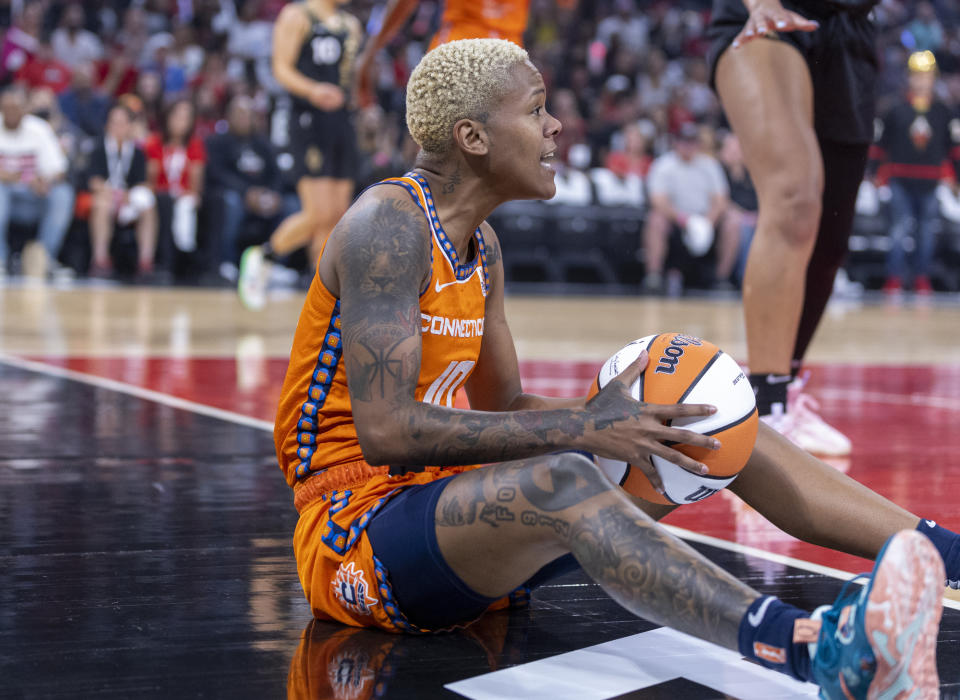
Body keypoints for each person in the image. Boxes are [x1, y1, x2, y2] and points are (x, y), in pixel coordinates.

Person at [275, 40, 950, 698]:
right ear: (473, 137)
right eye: (536, 110)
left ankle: (948, 555)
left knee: (708, 420)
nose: (556, 125)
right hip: (354, 529)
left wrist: (623, 423)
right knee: (564, 479)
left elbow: (505, 405)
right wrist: (583, 426)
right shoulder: (387, 228)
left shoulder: (481, 247)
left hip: (447, 507)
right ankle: (817, 652)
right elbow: (387, 431)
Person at [707, 0, 877, 456]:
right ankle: (767, 408)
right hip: (771, 17)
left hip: (850, 34)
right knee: (794, 198)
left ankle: (786, 385)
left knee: (829, 238)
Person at [237, 0, 363, 310]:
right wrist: (312, 90)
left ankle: (324, 295)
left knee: (336, 217)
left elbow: (350, 75)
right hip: (307, 119)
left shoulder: (350, 25)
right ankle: (263, 255)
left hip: (341, 121)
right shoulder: (297, 15)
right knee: (318, 213)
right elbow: (280, 68)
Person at [872, 51, 959, 296]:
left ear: (934, 78)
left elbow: (953, 148)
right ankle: (894, 278)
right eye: (917, 76)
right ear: (908, 78)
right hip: (900, 179)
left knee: (926, 232)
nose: (921, 81)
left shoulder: (944, 111)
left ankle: (922, 278)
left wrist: (955, 178)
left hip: (931, 181)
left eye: (926, 76)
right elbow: (880, 145)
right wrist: (875, 174)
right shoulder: (894, 109)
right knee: (898, 231)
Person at [353, 0, 531, 110]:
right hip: (509, 57)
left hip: (458, 51)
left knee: (436, 155)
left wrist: (368, 56)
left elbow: (403, 4)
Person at [642, 123, 738, 293]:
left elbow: (721, 200)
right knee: (655, 220)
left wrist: (707, 222)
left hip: (706, 218)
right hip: (675, 219)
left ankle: (722, 277)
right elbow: (658, 200)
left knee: (733, 221)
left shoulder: (710, 165)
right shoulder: (663, 165)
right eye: (684, 141)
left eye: (692, 141)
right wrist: (684, 220)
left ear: (698, 144)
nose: (688, 146)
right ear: (675, 142)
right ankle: (653, 276)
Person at [204, 95, 286, 283]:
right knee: (230, 203)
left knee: (290, 205)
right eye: (239, 114)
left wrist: (273, 194)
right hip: (234, 195)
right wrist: (247, 193)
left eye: (248, 114)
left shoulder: (262, 143)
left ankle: (274, 262)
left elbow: (276, 174)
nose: (244, 118)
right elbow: (217, 174)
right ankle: (226, 262)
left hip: (261, 195)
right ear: (229, 116)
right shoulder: (217, 142)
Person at [0, 84, 75, 281]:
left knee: (63, 194)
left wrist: (44, 180)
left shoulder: (39, 129)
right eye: (6, 108)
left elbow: (59, 170)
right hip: (6, 199)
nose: (11, 113)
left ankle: (45, 258)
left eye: (15, 108)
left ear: (24, 109)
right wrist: (12, 177)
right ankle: (0, 259)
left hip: (33, 198)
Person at [86, 104, 157, 280]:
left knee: (148, 207)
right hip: (106, 196)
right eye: (114, 123)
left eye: (122, 123)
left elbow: (143, 184)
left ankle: (145, 262)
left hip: (128, 199)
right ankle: (100, 260)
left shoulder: (138, 152)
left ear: (130, 126)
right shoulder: (98, 148)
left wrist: (127, 195)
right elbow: (92, 180)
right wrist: (112, 192)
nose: (118, 127)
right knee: (102, 204)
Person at [144, 99, 206, 280]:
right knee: (165, 202)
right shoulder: (155, 142)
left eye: (185, 118)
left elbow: (196, 182)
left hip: (185, 195)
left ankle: (187, 258)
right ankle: (165, 264)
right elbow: (151, 178)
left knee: (186, 206)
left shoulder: (195, 144)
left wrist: (185, 194)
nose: (180, 122)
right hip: (161, 194)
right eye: (177, 116)